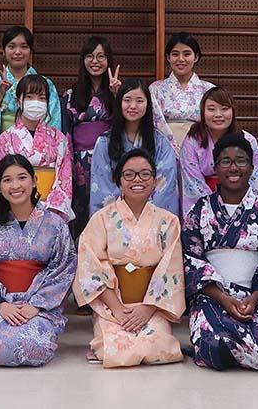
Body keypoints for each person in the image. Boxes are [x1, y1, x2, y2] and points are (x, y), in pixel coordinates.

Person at [182, 132, 258, 372]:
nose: (233, 167)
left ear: (251, 167)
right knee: (212, 343)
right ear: (215, 168)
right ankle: (239, 349)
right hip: (213, 297)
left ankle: (239, 349)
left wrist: (254, 299)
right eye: (225, 161)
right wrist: (223, 298)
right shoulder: (200, 210)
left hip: (256, 297)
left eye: (240, 160)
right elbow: (191, 260)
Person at [0, 155, 77, 366]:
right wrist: (0, 304)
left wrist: (36, 305)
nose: (15, 186)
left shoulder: (55, 224)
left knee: (33, 345)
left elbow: (64, 267)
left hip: (39, 307)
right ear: (0, 188)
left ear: (34, 181)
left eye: (22, 178)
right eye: (7, 180)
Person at [74, 148, 185, 368]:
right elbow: (91, 264)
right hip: (114, 304)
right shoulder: (101, 219)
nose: (138, 180)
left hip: (151, 304)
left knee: (159, 348)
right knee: (113, 348)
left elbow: (170, 268)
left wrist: (147, 308)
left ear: (154, 181)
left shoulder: (168, 221)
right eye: (129, 174)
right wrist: (116, 307)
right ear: (119, 181)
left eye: (145, 174)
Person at [90, 78, 179, 218]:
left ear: (148, 104)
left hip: (151, 218)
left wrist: (142, 215)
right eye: (127, 100)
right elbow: (102, 188)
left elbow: (165, 186)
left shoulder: (160, 142)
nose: (133, 106)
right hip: (116, 220)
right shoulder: (104, 143)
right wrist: (126, 215)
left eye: (139, 101)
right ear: (119, 103)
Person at [0, 74, 74, 222]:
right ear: (19, 101)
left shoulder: (59, 138)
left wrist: (51, 211)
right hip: (15, 207)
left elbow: (64, 177)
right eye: (29, 97)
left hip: (51, 211)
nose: (36, 102)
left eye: (42, 98)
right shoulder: (5, 139)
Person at [61, 36, 120, 237]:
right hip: (79, 161)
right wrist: (67, 162)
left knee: (108, 206)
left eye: (101, 56)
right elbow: (66, 131)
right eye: (90, 56)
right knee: (80, 210)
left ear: (109, 60)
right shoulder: (71, 94)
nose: (95, 61)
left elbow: (125, 124)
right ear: (83, 60)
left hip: (108, 158)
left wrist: (116, 96)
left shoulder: (118, 92)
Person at [180, 87, 258, 226]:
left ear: (233, 111)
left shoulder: (249, 141)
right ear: (203, 112)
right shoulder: (192, 141)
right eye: (212, 109)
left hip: (240, 204)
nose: (218, 114)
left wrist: (235, 209)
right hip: (204, 208)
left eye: (224, 109)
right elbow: (192, 184)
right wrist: (214, 211)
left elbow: (253, 179)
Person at [0, 26, 62, 136]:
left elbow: (54, 120)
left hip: (37, 146)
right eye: (11, 47)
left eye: (24, 47)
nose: (18, 52)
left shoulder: (46, 84)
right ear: (3, 51)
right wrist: (0, 93)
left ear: (31, 51)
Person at [149, 32, 215, 152]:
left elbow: (215, 125)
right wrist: (173, 149)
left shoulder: (209, 90)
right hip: (164, 150)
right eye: (175, 54)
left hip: (200, 150)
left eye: (187, 54)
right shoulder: (156, 89)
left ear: (196, 57)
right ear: (168, 57)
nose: (181, 59)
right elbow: (155, 124)